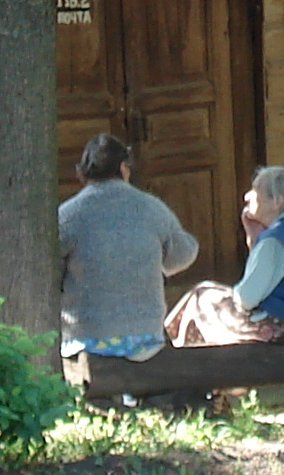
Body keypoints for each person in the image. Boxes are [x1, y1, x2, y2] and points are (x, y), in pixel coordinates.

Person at [56, 133, 199, 360]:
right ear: (124, 169)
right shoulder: (152, 208)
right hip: (144, 341)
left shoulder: (68, 216)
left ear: (80, 173)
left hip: (85, 341)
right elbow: (182, 255)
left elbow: (50, 272)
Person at [165, 165, 284, 347]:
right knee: (209, 295)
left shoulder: (276, 239)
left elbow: (246, 298)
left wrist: (229, 297)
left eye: (256, 191)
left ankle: (185, 362)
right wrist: (254, 241)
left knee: (201, 298)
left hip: (282, 329)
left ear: (277, 202)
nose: (247, 197)